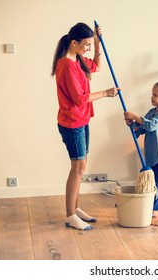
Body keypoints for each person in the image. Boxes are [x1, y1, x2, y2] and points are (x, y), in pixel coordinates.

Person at [51, 22, 118, 230]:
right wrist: (106, 93)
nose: (88, 48)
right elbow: (80, 99)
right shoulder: (66, 65)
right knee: (77, 169)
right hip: (72, 124)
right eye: (86, 44)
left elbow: (96, 66)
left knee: (81, 168)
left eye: (89, 45)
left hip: (81, 120)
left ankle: (76, 208)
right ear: (74, 42)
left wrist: (97, 44)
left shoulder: (78, 59)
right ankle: (70, 215)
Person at [124, 81, 158, 226]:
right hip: (151, 155)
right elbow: (141, 130)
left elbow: (151, 125)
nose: (152, 97)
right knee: (153, 185)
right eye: (152, 94)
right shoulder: (151, 112)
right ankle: (154, 209)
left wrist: (135, 116)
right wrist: (132, 125)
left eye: (156, 95)